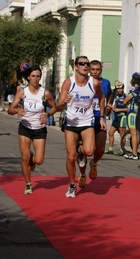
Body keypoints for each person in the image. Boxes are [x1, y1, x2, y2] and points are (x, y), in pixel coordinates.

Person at [56, 56, 106, 198]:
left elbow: (101, 98)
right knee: (71, 158)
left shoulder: (94, 83)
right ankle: (72, 185)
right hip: (71, 123)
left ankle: (81, 151)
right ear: (76, 67)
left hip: (87, 121)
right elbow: (58, 106)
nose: (85, 66)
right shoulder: (68, 83)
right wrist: (63, 101)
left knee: (90, 151)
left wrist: (102, 117)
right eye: (81, 64)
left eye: (87, 64)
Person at [7, 65, 56, 194]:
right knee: (24, 157)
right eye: (33, 76)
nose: (35, 79)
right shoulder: (23, 92)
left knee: (39, 161)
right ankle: (28, 183)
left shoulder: (45, 93)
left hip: (39, 129)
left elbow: (54, 107)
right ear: (28, 77)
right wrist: (18, 109)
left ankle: (32, 158)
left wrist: (47, 114)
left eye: (38, 76)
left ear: (40, 77)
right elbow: (10, 110)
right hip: (25, 128)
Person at [123, 72, 140, 160]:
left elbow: (125, 101)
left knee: (133, 134)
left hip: (132, 113)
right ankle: (135, 152)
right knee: (137, 134)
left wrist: (128, 103)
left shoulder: (134, 90)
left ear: (133, 79)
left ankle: (134, 153)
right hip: (139, 112)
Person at [104, 81, 127, 156]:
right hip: (116, 117)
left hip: (122, 117)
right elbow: (114, 106)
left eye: (120, 88)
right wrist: (111, 107)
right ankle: (110, 149)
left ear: (123, 88)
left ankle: (122, 149)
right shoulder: (116, 97)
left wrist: (119, 110)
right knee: (110, 133)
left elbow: (128, 109)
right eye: (118, 89)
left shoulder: (126, 96)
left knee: (122, 134)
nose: (119, 90)